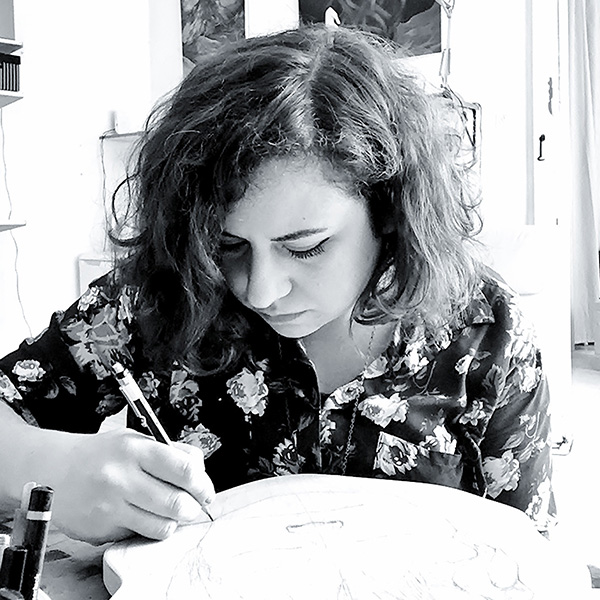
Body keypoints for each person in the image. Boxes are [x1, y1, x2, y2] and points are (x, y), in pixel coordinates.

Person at [0, 24, 555, 545]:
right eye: (228, 245)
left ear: (388, 212)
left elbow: (528, 555)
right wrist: (44, 465)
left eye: (305, 247)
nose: (260, 291)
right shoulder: (162, 293)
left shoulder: (489, 334)